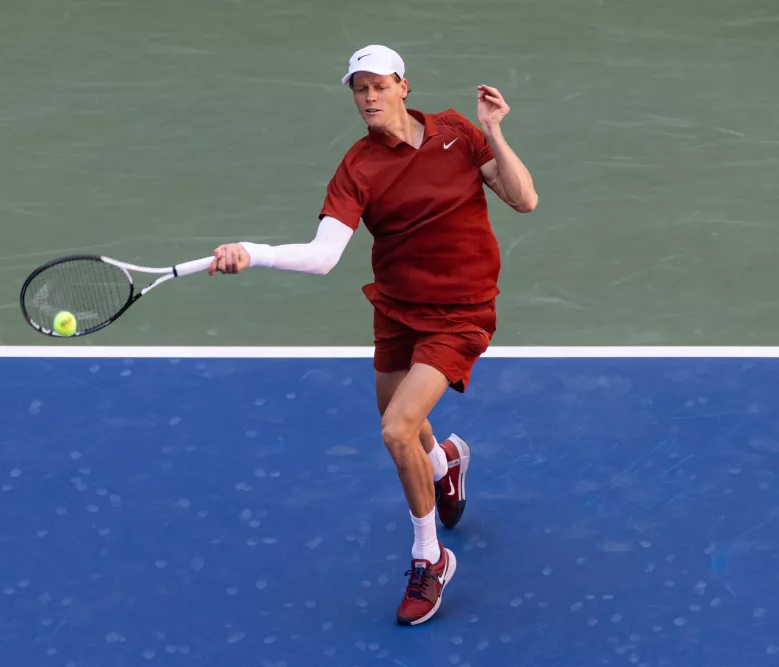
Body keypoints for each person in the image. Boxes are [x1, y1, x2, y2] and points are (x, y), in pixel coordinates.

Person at [206, 44, 538, 626]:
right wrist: (251, 254)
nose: (368, 98)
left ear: (403, 86)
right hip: (397, 308)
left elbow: (524, 199)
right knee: (406, 430)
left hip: (460, 312)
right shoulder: (357, 166)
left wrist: (494, 131)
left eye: (378, 85)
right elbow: (323, 256)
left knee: (396, 428)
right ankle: (445, 465)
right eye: (358, 89)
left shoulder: (459, 132)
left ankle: (429, 557)